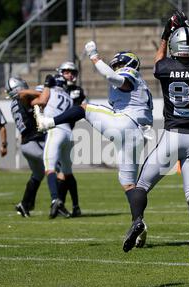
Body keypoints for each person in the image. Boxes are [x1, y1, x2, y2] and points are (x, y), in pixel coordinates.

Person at [34, 43, 154, 247]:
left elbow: (114, 77)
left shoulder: (129, 73)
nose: (116, 66)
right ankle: (139, 223)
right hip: (138, 135)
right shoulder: (142, 87)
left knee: (83, 108)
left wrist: (94, 56)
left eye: (118, 64)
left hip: (126, 124)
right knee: (129, 184)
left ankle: (48, 122)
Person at [121, 12, 189, 259]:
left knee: (141, 185)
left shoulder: (166, 68)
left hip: (173, 136)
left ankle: (138, 221)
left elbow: (157, 60)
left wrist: (166, 34)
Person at [22, 74, 75, 219]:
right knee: (67, 171)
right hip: (69, 133)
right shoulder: (69, 97)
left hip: (55, 130)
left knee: (49, 168)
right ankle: (74, 205)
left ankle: (55, 199)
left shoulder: (50, 90)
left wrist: (25, 97)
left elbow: (40, 101)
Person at [5, 77, 46, 217]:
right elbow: (27, 95)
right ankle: (58, 202)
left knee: (38, 174)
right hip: (33, 142)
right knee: (53, 164)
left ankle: (24, 204)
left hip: (27, 144)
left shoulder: (14, 103)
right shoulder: (22, 99)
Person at [54, 61, 85, 217]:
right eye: (66, 72)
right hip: (53, 131)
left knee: (63, 172)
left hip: (65, 132)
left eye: (73, 72)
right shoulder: (55, 88)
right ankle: (71, 205)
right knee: (65, 172)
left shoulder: (76, 91)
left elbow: (76, 110)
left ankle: (59, 203)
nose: (70, 75)